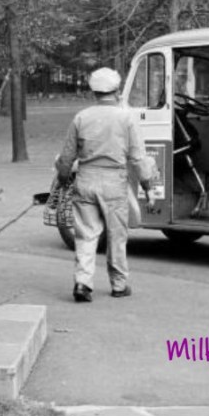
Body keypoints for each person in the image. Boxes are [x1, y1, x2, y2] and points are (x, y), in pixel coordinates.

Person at [55, 68, 155, 303]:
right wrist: (148, 186)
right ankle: (118, 284)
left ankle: (82, 283)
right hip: (114, 182)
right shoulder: (126, 119)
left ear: (94, 92)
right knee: (116, 235)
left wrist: (62, 180)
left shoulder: (81, 117)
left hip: (86, 179)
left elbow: (67, 157)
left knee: (86, 235)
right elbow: (138, 157)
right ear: (117, 91)